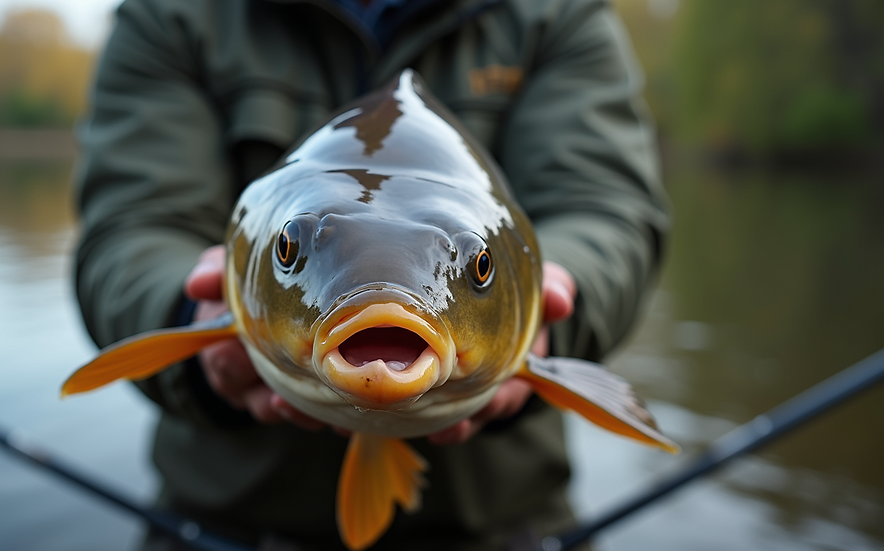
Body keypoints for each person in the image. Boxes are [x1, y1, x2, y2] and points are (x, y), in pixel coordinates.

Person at [73, 0, 670, 548]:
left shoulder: (556, 10)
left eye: (480, 266)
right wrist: (187, 327)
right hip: (225, 521)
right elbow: (129, 229)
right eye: (289, 250)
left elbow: (606, 211)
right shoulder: (174, 12)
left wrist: (552, 320)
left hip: (502, 524)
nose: (388, 302)